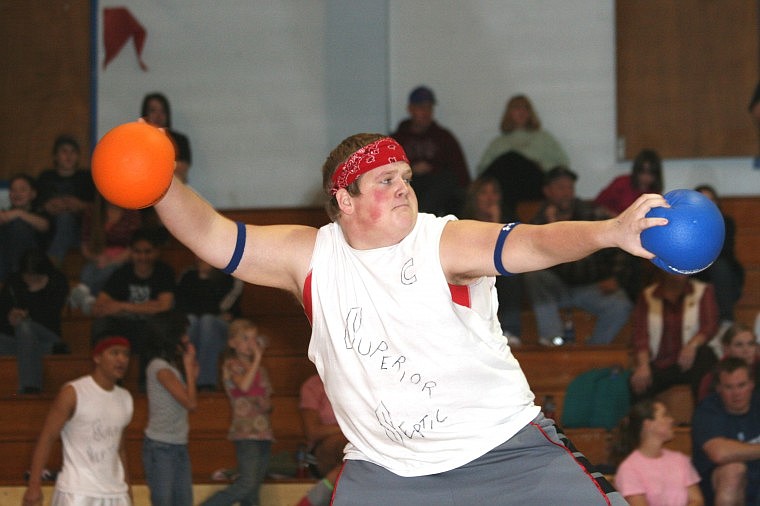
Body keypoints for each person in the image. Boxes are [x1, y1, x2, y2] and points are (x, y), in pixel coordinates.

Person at [150, 131, 669, 504]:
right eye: (384, 180)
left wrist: (609, 232)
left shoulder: (441, 240)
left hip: (505, 453)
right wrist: (157, 180)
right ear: (343, 200)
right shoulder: (310, 257)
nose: (403, 187)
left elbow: (532, 242)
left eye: (405, 177)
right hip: (387, 475)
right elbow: (213, 236)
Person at [523, 166, 633, 345]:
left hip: (591, 287)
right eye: (560, 187)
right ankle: (554, 341)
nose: (566, 193)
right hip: (557, 289)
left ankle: (592, 353)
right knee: (534, 276)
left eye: (569, 187)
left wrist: (616, 278)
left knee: (621, 305)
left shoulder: (592, 214)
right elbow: (534, 260)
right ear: (547, 191)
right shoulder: (539, 222)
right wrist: (552, 227)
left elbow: (620, 248)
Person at [21, 333, 133, 506]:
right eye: (114, 353)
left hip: (116, 493)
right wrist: (34, 486)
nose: (122, 359)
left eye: (126, 354)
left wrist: (128, 490)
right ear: (97, 357)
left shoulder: (126, 398)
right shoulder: (73, 392)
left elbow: (120, 448)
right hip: (77, 492)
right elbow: (47, 437)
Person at [90, 227, 176, 389]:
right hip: (125, 330)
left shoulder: (164, 272)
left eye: (147, 252)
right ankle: (108, 381)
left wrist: (122, 306)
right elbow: (99, 307)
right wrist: (148, 306)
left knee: (155, 327)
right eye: (137, 252)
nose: (142, 257)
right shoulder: (122, 273)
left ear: (157, 252)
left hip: (150, 330)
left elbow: (164, 306)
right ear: (131, 252)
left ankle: (146, 387)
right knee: (102, 325)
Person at [201, 318, 273, 506]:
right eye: (245, 338)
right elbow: (244, 385)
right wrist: (257, 359)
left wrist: (265, 404)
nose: (252, 344)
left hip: (263, 432)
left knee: (254, 487)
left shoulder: (260, 370)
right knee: (247, 482)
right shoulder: (232, 365)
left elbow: (266, 400)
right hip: (246, 432)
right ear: (233, 343)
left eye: (254, 338)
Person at [477, 94, 570, 220]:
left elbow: (563, 163)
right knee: (508, 160)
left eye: (525, 108)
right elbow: (482, 171)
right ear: (509, 113)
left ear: (530, 113)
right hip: (507, 189)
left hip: (534, 184)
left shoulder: (543, 138)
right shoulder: (498, 143)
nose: (521, 112)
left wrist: (540, 165)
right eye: (516, 108)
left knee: (513, 158)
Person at [630, 271, 719, 401]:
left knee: (705, 355)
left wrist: (692, 345)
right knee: (637, 380)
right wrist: (643, 365)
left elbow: (709, 326)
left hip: (691, 362)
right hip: (660, 363)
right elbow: (640, 336)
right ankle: (648, 420)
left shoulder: (703, 291)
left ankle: (704, 413)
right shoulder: (648, 295)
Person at [142, 310, 198, 506]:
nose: (186, 338)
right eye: (183, 333)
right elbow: (191, 404)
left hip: (177, 444)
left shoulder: (169, 367)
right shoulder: (160, 368)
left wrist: (190, 371)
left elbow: (185, 398)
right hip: (161, 447)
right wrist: (189, 369)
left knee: (183, 501)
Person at [390, 85, 471, 216]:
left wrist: (433, 170)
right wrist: (411, 170)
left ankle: (422, 218)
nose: (425, 112)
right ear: (410, 109)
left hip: (437, 191)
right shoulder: (397, 140)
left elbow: (461, 175)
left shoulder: (444, 137)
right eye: (421, 107)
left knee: (447, 180)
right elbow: (388, 173)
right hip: (409, 186)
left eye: (429, 108)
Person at [460, 176, 522, 344]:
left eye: (494, 193)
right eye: (484, 193)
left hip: (501, 271)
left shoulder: (508, 217)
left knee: (512, 275)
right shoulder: (462, 220)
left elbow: (511, 252)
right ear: (474, 197)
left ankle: (510, 331)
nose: (490, 198)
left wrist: (496, 221)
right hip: (472, 270)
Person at [692, 357, 760, 505]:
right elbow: (720, 453)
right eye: (729, 387)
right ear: (719, 389)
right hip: (720, 490)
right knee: (733, 470)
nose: (736, 393)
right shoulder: (708, 410)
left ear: (752, 385)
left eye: (741, 385)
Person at [0, 248, 68, 393]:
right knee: (21, 334)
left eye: (35, 276)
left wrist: (27, 316)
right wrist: (9, 318)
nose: (30, 279)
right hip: (18, 338)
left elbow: (51, 317)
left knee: (25, 327)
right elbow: (2, 316)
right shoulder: (13, 282)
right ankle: (51, 350)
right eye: (27, 276)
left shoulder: (58, 282)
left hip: (47, 334)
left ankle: (30, 386)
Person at [615, 399, 704, 505]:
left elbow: (697, 500)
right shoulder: (629, 468)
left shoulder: (679, 460)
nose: (671, 420)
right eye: (665, 415)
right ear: (648, 424)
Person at [176, 255, 243, 391]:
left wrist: (207, 309)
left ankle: (204, 382)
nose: (200, 259)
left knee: (207, 321)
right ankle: (186, 378)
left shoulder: (229, 277)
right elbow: (181, 306)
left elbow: (224, 306)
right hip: (197, 326)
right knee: (193, 321)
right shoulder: (187, 276)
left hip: (220, 329)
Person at [69, 192, 143, 315]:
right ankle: (87, 297)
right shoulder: (92, 211)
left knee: (112, 269)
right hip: (98, 254)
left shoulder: (132, 213)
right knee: (89, 269)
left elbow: (135, 242)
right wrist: (98, 257)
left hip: (124, 256)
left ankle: (82, 293)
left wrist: (116, 259)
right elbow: (85, 243)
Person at [35, 135, 96, 265]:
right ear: (55, 156)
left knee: (66, 218)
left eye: (73, 152)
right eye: (64, 151)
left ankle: (50, 264)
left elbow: (99, 207)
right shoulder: (45, 177)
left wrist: (81, 205)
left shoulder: (87, 178)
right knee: (62, 218)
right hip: (49, 228)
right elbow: (36, 204)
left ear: (78, 156)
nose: (69, 156)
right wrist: (47, 205)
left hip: (79, 229)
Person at [692, 184, 745, 324]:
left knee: (720, 268)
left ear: (716, 202)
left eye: (710, 200)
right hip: (693, 268)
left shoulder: (725, 222)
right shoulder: (685, 223)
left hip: (719, 265)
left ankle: (726, 320)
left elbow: (724, 250)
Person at [295, 374, 348, 506]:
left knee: (355, 456)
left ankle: (310, 501)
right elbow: (312, 432)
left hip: (356, 448)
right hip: (323, 450)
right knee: (347, 447)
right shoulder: (314, 385)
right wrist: (347, 428)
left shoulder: (359, 380)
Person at [0, 174, 50, 283]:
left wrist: (19, 213)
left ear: (33, 194)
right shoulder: (5, 213)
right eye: (13, 190)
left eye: (22, 190)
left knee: (18, 225)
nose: (17, 194)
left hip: (31, 263)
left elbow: (44, 226)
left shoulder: (40, 212)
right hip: (5, 260)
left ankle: (15, 278)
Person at [698, 322, 759, 402]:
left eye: (751, 344)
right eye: (739, 345)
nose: (746, 350)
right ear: (726, 349)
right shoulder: (713, 377)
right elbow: (706, 408)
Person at [595, 149, 664, 216]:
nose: (646, 177)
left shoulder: (655, 194)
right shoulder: (621, 183)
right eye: (643, 172)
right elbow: (599, 206)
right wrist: (616, 218)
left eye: (651, 173)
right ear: (636, 171)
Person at [142, 92, 193, 183]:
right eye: (153, 110)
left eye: (163, 111)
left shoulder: (180, 140)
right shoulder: (138, 140)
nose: (158, 116)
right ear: (145, 113)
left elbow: (183, 168)